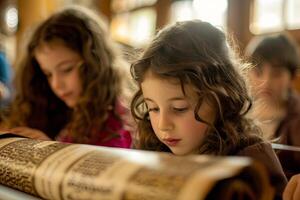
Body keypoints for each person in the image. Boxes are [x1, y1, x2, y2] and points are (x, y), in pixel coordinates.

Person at [130, 20, 287, 198]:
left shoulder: (253, 162)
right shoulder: (151, 148)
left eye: (179, 108)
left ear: (221, 99)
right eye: (153, 108)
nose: (163, 125)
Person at [0, 6, 132, 148]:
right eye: (48, 74)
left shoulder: (117, 119)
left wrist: (53, 148)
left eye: (66, 69)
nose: (56, 84)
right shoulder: (70, 112)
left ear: (94, 63)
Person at [245, 33, 300, 179]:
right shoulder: (240, 112)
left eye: (276, 74)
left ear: (292, 77)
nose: (266, 81)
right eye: (258, 72)